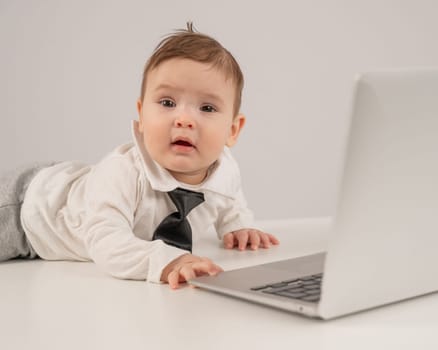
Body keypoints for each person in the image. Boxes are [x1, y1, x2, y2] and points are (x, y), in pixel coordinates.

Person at [0, 22, 279, 288]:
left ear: (233, 129)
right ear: (142, 115)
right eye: (167, 103)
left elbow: (229, 199)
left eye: (206, 108)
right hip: (29, 209)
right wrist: (167, 261)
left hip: (70, 193)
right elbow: (106, 241)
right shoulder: (123, 172)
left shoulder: (225, 170)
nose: (184, 119)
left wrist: (238, 226)